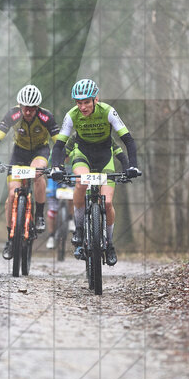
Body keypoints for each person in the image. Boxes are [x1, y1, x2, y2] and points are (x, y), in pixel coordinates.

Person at [49, 78, 142, 266]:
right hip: (83, 155)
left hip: (104, 157)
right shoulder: (71, 115)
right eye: (79, 103)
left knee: (107, 202)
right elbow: (59, 145)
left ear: (95, 99)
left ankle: (109, 244)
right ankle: (80, 229)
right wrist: (56, 167)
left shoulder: (108, 112)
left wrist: (132, 166)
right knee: (81, 182)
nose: (83, 107)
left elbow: (128, 140)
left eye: (86, 102)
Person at [0, 84, 61, 259]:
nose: (29, 111)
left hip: (40, 151)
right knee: (12, 194)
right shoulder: (13, 114)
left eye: (32, 108)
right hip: (18, 153)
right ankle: (11, 238)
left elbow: (58, 142)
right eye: (26, 107)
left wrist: (60, 161)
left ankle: (39, 215)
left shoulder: (46, 116)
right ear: (20, 105)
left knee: (38, 173)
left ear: (37, 107)